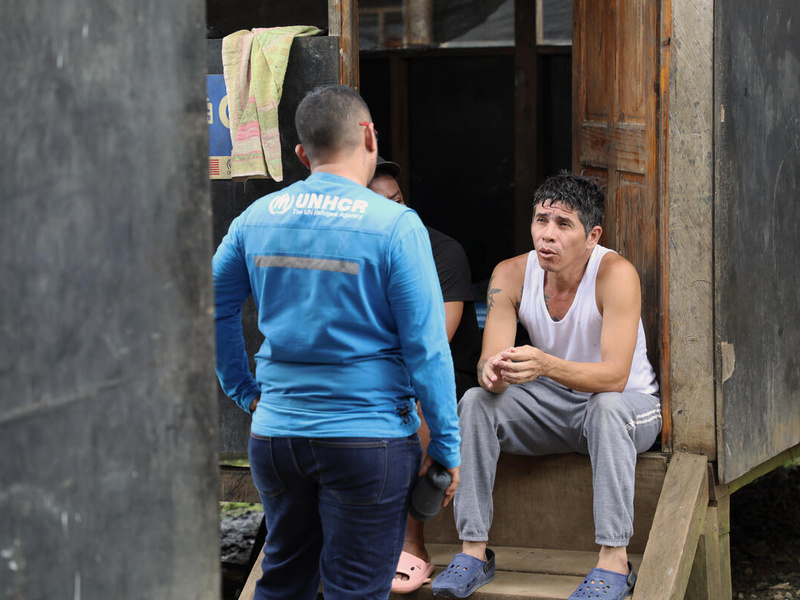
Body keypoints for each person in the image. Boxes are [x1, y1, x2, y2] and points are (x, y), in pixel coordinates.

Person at [212, 84, 461, 600]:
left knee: (283, 581)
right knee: (355, 590)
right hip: (368, 441)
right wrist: (444, 444)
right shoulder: (395, 225)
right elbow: (427, 346)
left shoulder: (253, 220)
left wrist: (245, 391)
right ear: (369, 135)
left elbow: (209, 309)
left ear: (303, 154)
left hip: (276, 435)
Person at [430, 171, 661, 600]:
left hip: (629, 407)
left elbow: (614, 376)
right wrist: (495, 373)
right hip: (555, 407)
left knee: (607, 407)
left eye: (563, 224)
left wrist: (544, 366)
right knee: (477, 402)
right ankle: (473, 552)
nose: (546, 235)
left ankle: (613, 561)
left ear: (592, 235)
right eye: (541, 220)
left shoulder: (616, 273)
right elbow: (488, 363)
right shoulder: (510, 274)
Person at [368, 158, 481, 594]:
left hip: (446, 370)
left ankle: (414, 543)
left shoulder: (441, 251)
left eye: (399, 200)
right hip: (381, 371)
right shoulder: (353, 251)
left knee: (416, 404)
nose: (397, 211)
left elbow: (435, 342)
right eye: (382, 204)